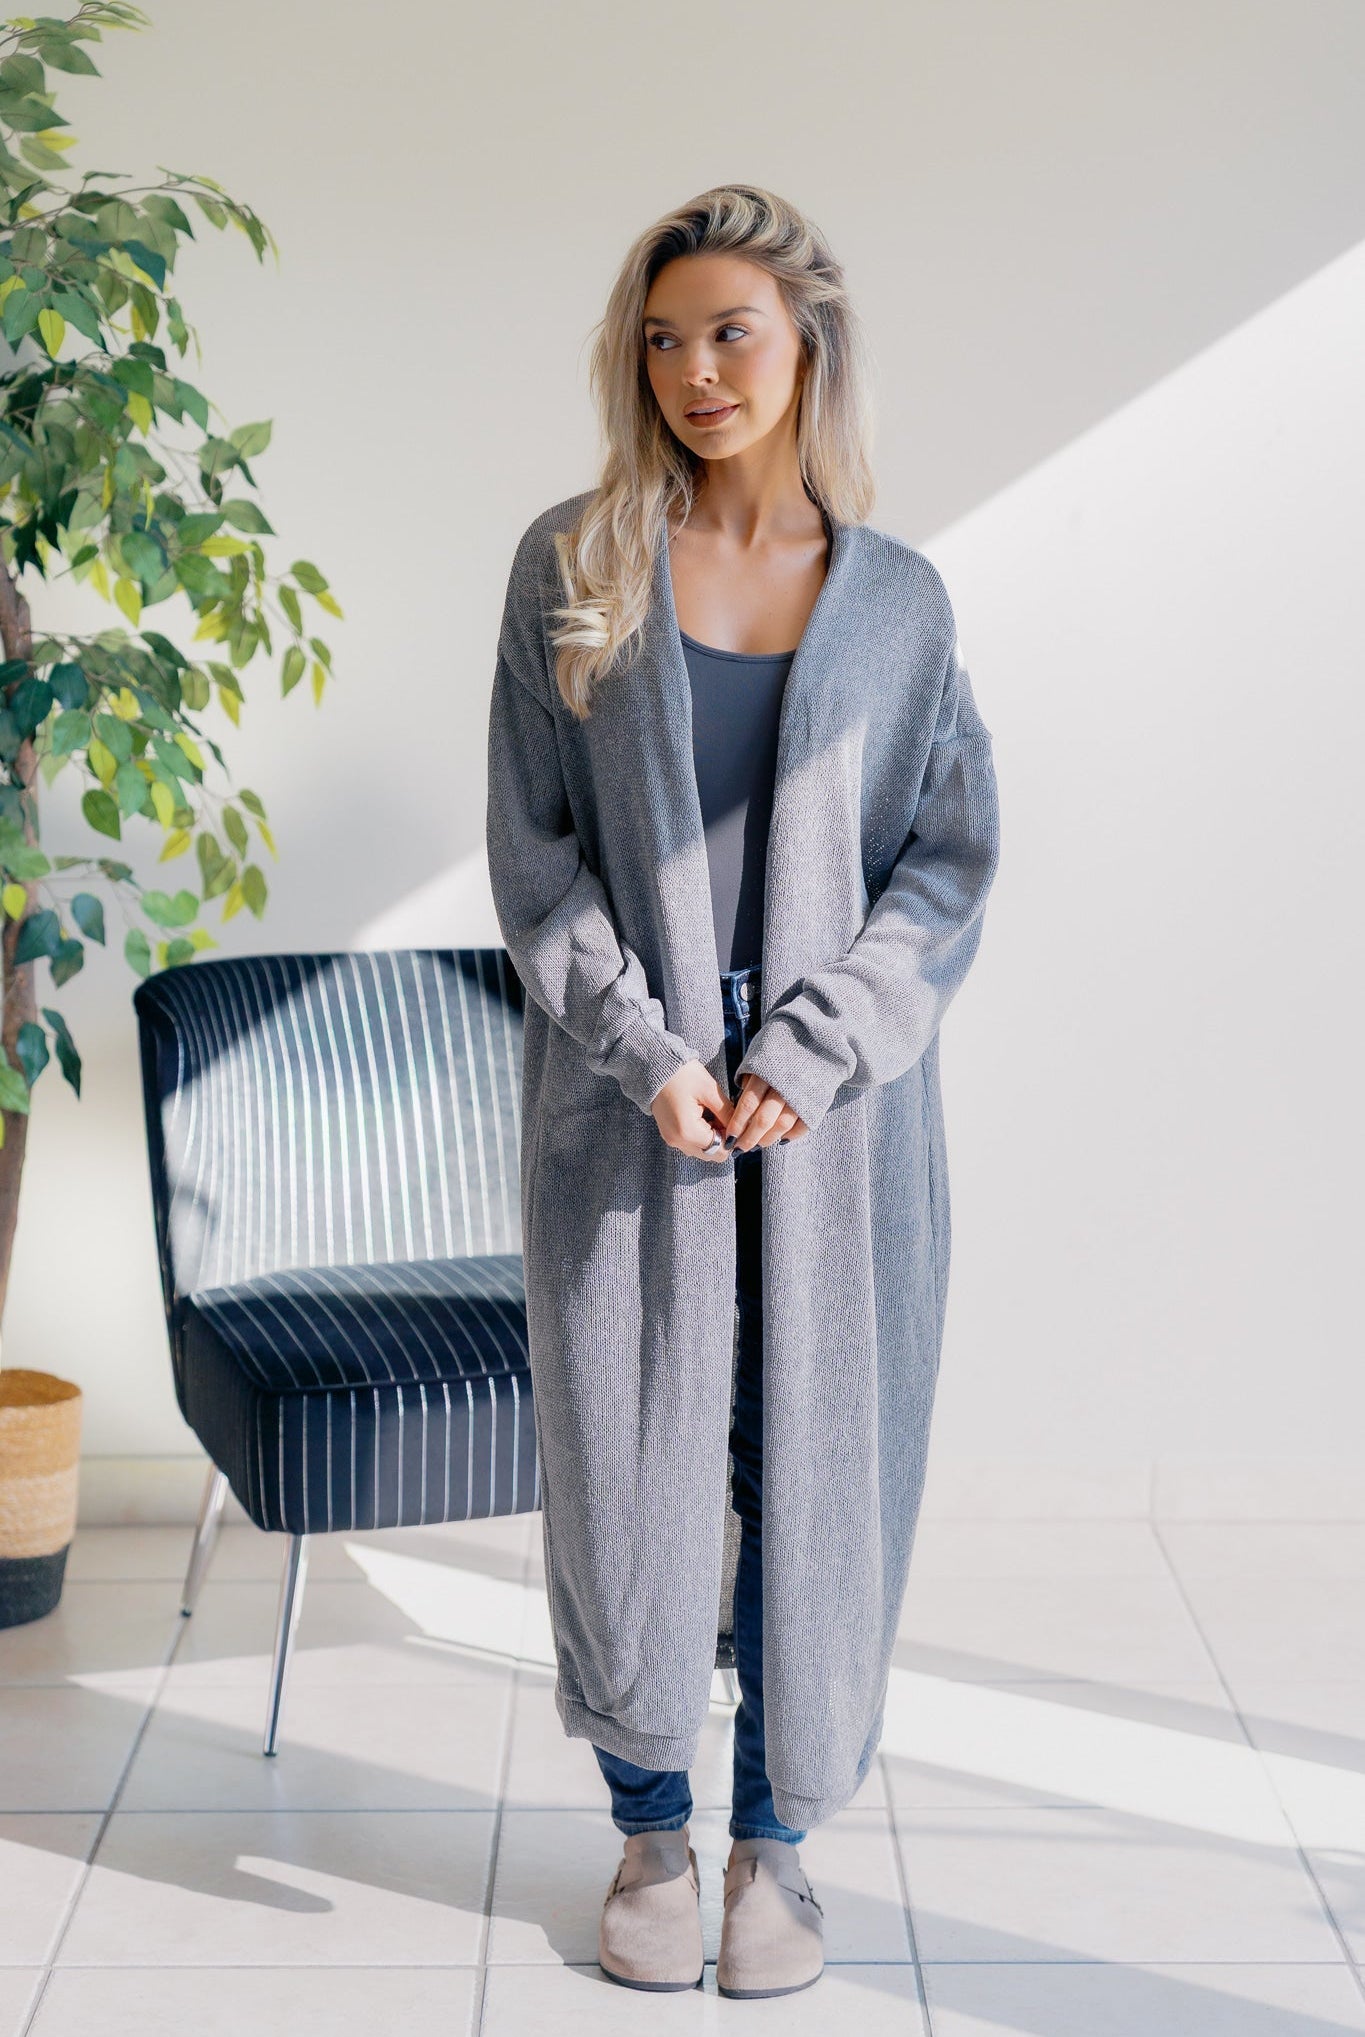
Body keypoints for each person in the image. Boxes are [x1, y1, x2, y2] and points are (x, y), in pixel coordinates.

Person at [485, 183, 1001, 1999]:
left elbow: (945, 866)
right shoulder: (574, 565)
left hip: (833, 1123)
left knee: (815, 1466)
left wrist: (811, 1045)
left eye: (730, 332)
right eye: (662, 339)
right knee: (632, 1464)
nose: (695, 370)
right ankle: (649, 1829)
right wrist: (649, 1053)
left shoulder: (899, 604)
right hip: (624, 1099)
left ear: (806, 345)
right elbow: (534, 860)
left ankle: (772, 1849)